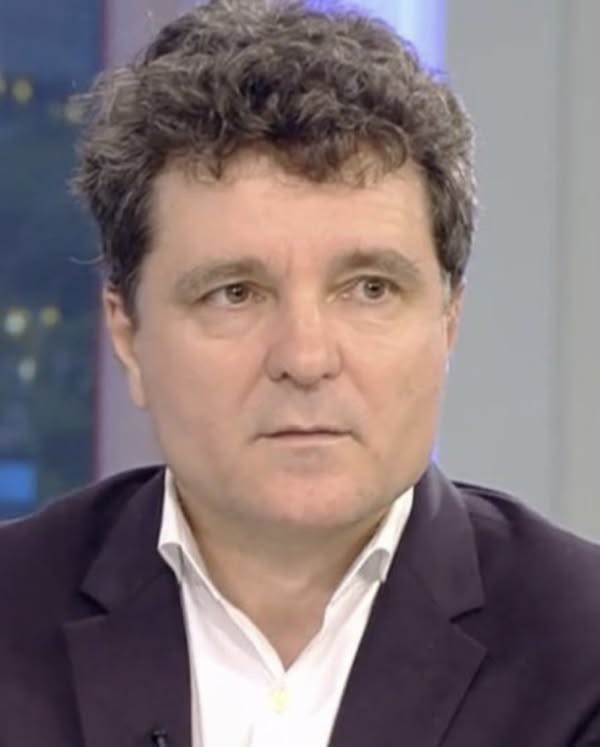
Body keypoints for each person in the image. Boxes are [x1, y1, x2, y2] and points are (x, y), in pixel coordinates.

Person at [1, 1, 600, 745]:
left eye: (369, 289)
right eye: (235, 293)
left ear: (449, 321)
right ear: (128, 333)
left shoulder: (582, 654)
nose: (306, 359)